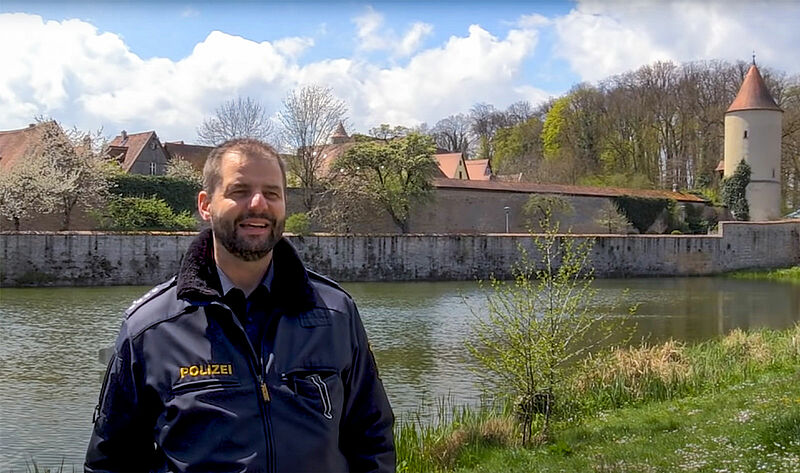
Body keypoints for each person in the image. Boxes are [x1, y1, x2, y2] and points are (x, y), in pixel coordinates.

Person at [85, 139, 395, 473]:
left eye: (272, 193)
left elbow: (372, 440)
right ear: (206, 205)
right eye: (240, 190)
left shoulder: (336, 314)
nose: (258, 204)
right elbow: (112, 462)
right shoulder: (149, 328)